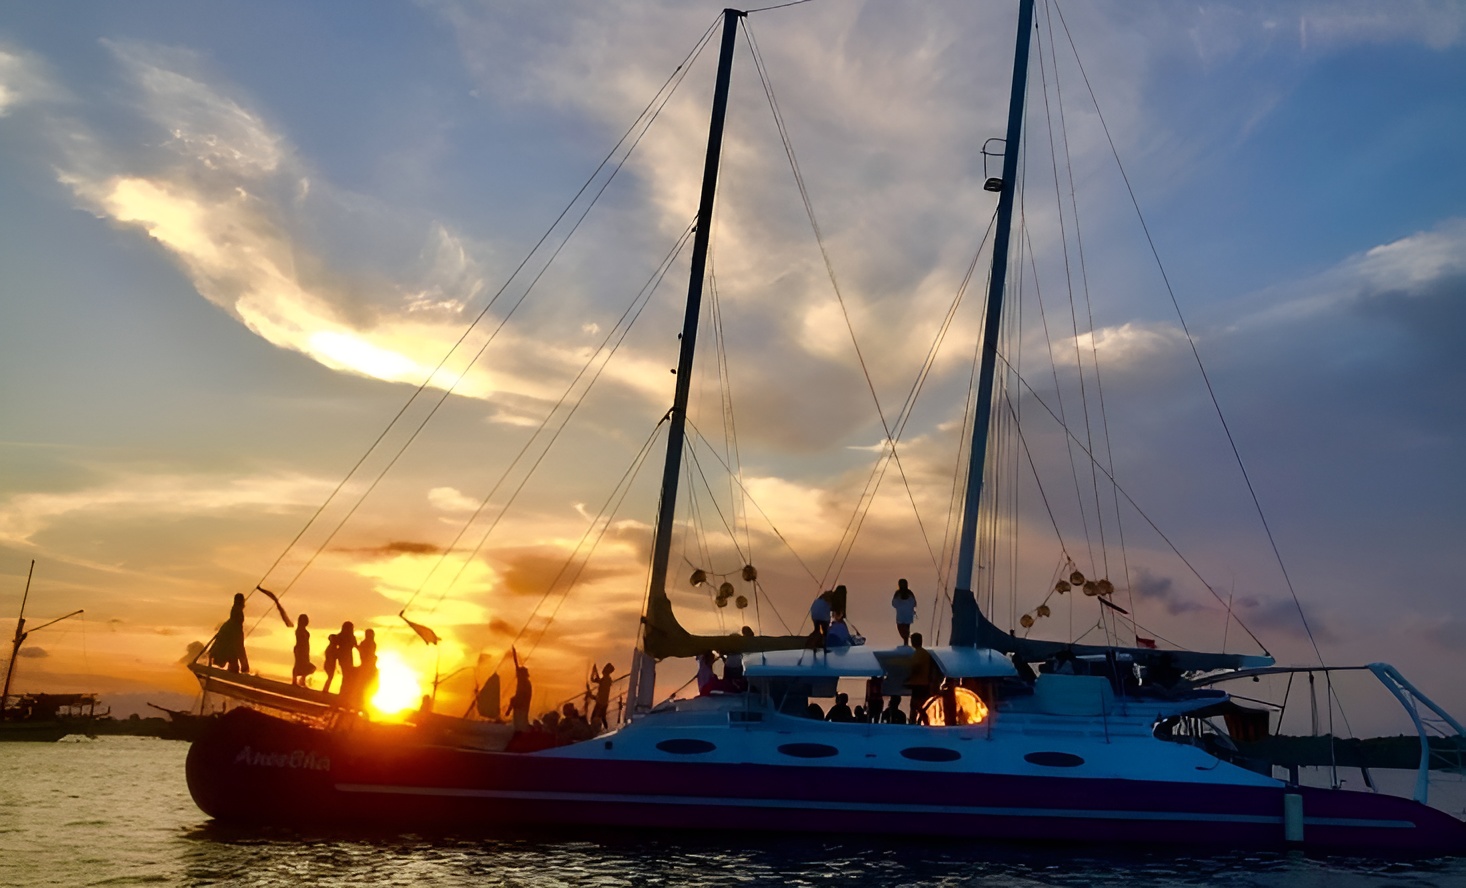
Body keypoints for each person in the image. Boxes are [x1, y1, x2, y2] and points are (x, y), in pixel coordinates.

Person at [210, 593, 249, 674]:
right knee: (234, 667)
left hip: (220, 654)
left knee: (234, 664)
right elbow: (239, 647)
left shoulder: (227, 625)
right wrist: (244, 665)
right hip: (224, 654)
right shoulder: (235, 628)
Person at [905, 633, 933, 721]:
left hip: (918, 684)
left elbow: (916, 667)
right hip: (925, 684)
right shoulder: (926, 653)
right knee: (922, 705)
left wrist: (908, 677)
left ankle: (915, 722)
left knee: (915, 705)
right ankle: (922, 720)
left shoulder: (918, 654)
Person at [356, 628, 378, 706]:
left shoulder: (369, 643)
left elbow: (364, 653)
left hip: (368, 665)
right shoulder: (370, 643)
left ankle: (365, 701)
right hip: (367, 665)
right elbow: (364, 654)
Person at [506, 665, 532, 731]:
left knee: (520, 727)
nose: (517, 676)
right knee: (519, 726)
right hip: (521, 708)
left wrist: (509, 708)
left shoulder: (525, 684)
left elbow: (520, 697)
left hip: (521, 709)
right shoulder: (524, 683)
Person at [891, 579, 917, 646]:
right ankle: (907, 642)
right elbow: (914, 603)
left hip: (901, 616)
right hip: (908, 616)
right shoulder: (910, 593)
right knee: (905, 629)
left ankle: (908, 641)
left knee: (902, 630)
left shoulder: (897, 593)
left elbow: (894, 603)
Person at [591, 662, 615, 731]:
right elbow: (598, 680)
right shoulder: (607, 679)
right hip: (603, 703)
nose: (603, 670)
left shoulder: (605, 680)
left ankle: (597, 731)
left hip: (601, 703)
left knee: (594, 718)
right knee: (602, 717)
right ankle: (607, 730)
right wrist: (595, 671)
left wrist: (594, 671)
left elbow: (594, 680)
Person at [291, 613, 314, 687]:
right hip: (300, 649)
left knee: (307, 665)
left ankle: (302, 680)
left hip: (305, 649)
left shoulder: (304, 630)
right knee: (298, 664)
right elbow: (300, 641)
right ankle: (294, 681)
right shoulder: (299, 630)